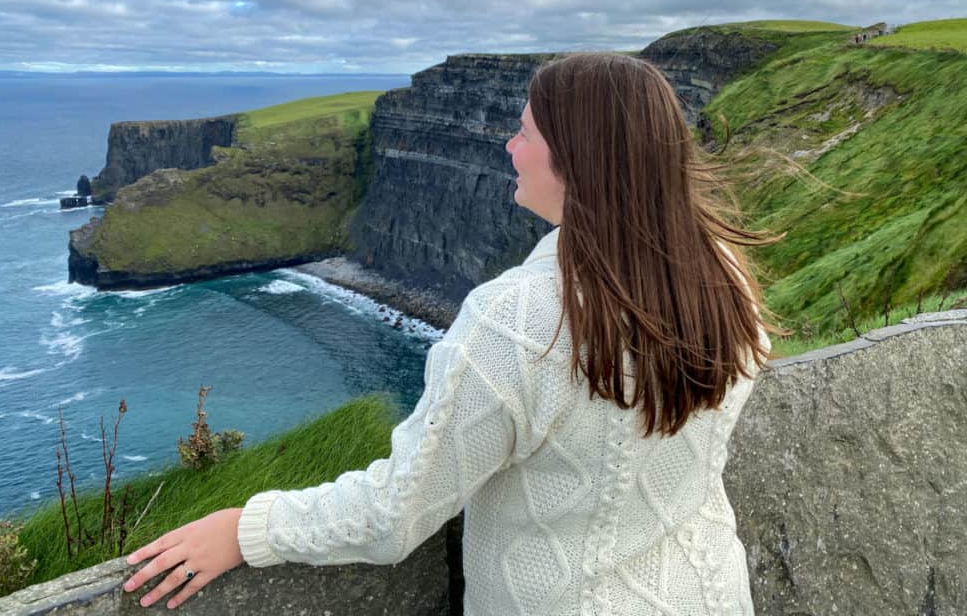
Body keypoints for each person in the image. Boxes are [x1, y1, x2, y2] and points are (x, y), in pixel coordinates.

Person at [122, 52, 775, 614]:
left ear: (576, 156)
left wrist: (248, 529)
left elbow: (396, 513)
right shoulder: (724, 278)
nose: (509, 149)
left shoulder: (518, 318)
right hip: (712, 592)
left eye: (524, 133)